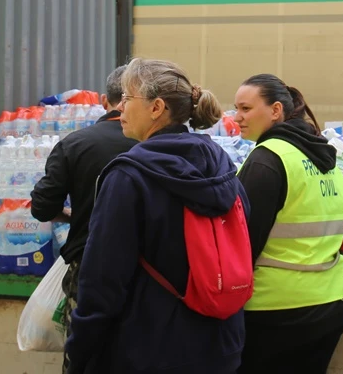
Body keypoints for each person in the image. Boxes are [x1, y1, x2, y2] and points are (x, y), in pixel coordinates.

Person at [64, 58, 248, 374]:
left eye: (127, 98)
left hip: (148, 350)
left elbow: (103, 281)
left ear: (156, 107)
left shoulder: (129, 177)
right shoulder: (224, 170)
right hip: (221, 345)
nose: (119, 107)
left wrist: (79, 350)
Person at [232, 74, 343, 373]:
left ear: (275, 111)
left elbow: (243, 243)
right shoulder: (324, 158)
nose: (237, 117)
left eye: (246, 109)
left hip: (277, 310)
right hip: (330, 301)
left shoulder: (267, 159)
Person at [30, 65, 138, 346]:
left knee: (84, 349)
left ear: (105, 101)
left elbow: (41, 207)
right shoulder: (158, 144)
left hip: (88, 265)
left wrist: (70, 215)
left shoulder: (75, 144)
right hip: (148, 270)